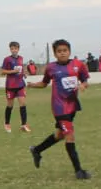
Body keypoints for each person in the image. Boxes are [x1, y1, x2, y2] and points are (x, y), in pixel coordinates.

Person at [28, 39, 92, 180]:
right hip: (59, 107)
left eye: (65, 50)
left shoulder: (78, 65)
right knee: (69, 135)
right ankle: (79, 171)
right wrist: (32, 85)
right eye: (59, 51)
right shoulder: (51, 68)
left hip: (72, 105)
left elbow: (85, 81)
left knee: (59, 135)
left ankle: (37, 150)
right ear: (55, 53)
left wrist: (83, 86)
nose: (62, 53)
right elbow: (44, 84)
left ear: (69, 51)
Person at [1, 41, 31, 133]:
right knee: (10, 105)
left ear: (18, 49)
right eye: (12, 48)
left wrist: (24, 74)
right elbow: (2, 72)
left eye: (15, 48)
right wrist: (12, 71)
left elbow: (21, 69)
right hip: (10, 86)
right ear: (10, 49)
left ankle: (24, 124)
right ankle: (7, 123)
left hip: (20, 85)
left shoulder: (21, 58)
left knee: (23, 104)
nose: (14, 50)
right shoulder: (7, 59)